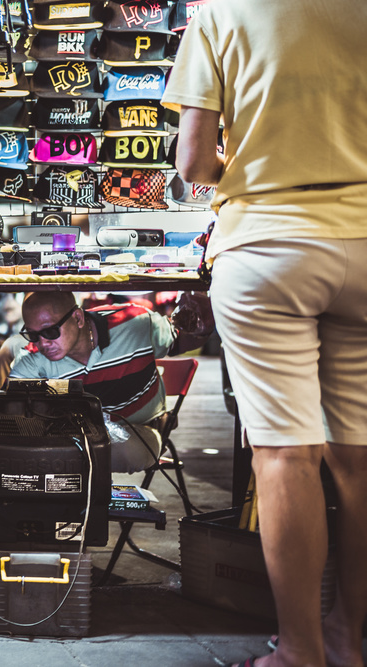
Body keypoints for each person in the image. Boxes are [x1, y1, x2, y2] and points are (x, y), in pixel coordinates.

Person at [163, 2, 367, 666]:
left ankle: (300, 650)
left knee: (285, 456)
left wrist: (252, 173)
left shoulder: (225, 11)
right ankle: (348, 634)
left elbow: (193, 159)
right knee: (360, 460)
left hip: (268, 244)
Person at [0, 292, 211, 473]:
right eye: (33, 335)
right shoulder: (32, 358)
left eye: (50, 331)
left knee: (111, 454)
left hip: (138, 430)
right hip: (72, 436)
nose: (43, 343)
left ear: (78, 318)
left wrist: (208, 317)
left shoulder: (135, 323)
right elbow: (15, 415)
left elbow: (185, 338)